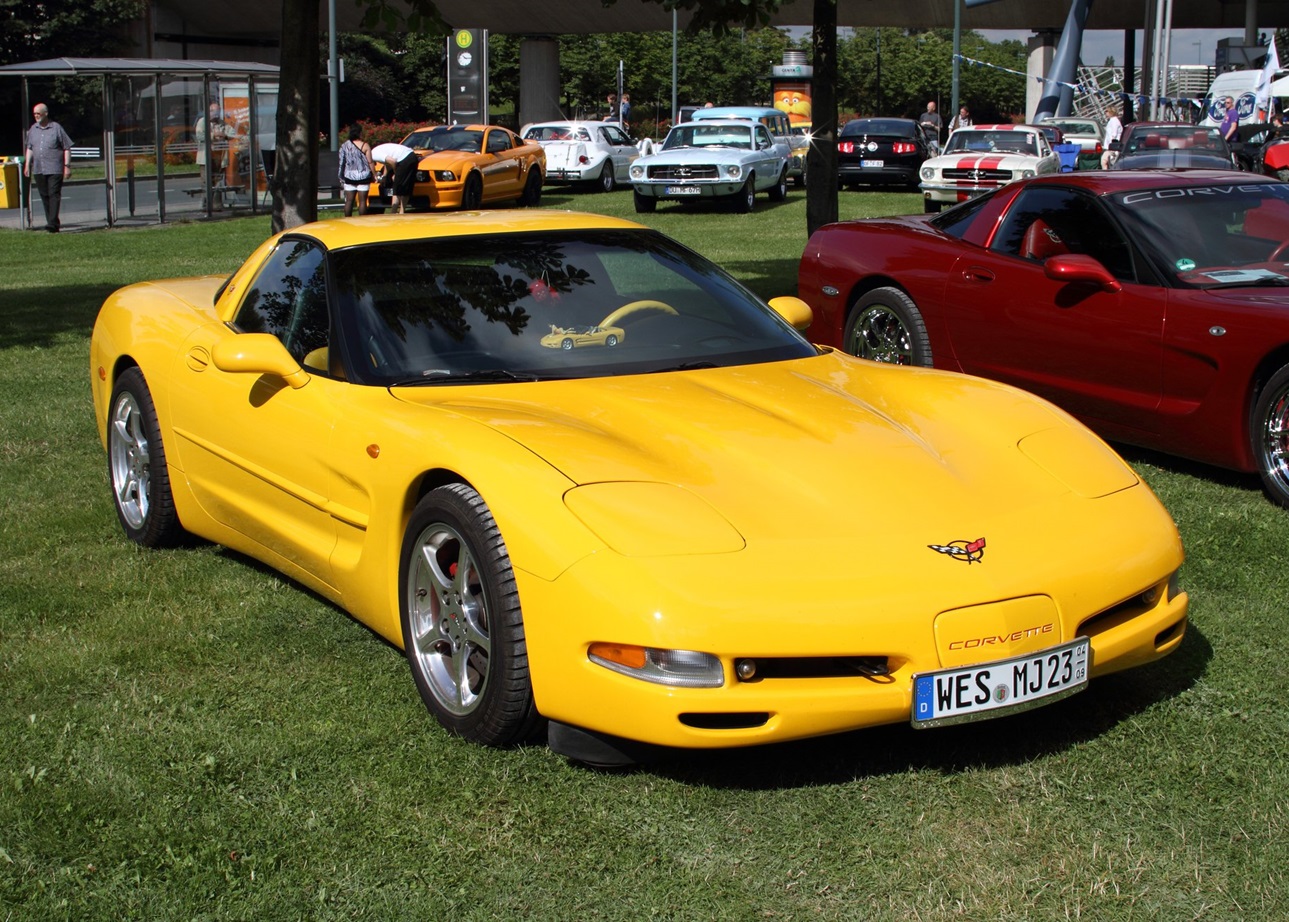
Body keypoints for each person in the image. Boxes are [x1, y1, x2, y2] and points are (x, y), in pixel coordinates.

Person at [24, 102, 73, 233]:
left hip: (55, 168)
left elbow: (66, 147)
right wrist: (27, 164)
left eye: (38, 113)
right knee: (44, 195)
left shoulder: (56, 128)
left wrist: (67, 166)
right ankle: (53, 222)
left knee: (53, 194)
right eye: (34, 114)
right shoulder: (33, 129)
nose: (36, 116)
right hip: (39, 169)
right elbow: (29, 148)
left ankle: (51, 224)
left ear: (45, 113)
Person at [195, 102, 239, 209]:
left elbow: (233, 133)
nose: (216, 114)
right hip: (206, 157)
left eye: (218, 111)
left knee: (219, 180)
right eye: (214, 111)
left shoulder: (222, 123)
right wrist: (213, 135)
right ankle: (206, 204)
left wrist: (224, 135)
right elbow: (200, 136)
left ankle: (217, 204)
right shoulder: (202, 122)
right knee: (206, 181)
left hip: (220, 157)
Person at [370, 141, 418, 214]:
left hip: (405, 159)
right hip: (411, 156)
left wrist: (396, 173)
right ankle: (399, 211)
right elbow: (387, 163)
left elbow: (393, 161)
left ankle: (396, 212)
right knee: (405, 186)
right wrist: (384, 176)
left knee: (397, 187)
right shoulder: (375, 151)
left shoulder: (374, 155)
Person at [338, 124, 375, 217]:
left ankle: (347, 219)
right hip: (363, 176)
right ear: (359, 133)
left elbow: (341, 162)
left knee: (349, 201)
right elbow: (370, 162)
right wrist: (374, 174)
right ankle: (362, 220)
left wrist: (341, 176)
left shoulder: (344, 146)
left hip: (349, 176)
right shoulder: (365, 145)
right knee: (362, 201)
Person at [1101, 105, 1124, 169]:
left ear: (1111, 112)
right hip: (1110, 146)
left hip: (1113, 147)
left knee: (1104, 161)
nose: (1105, 113)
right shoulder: (1112, 120)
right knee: (1106, 161)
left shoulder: (1114, 121)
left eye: (1107, 111)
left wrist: (1112, 144)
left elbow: (1114, 133)